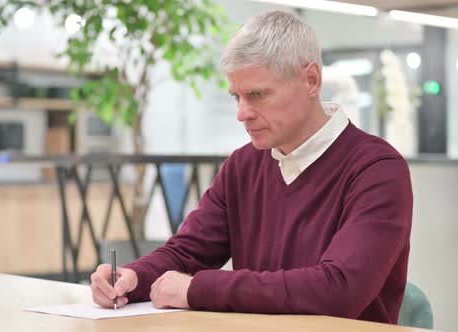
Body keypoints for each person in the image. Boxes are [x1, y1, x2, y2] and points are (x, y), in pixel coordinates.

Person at [90, 10, 412, 325]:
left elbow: (338, 290)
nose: (242, 113)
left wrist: (198, 289)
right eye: (236, 97)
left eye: (257, 95)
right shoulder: (242, 166)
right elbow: (187, 252)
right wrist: (133, 277)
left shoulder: (378, 170)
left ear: (311, 80)